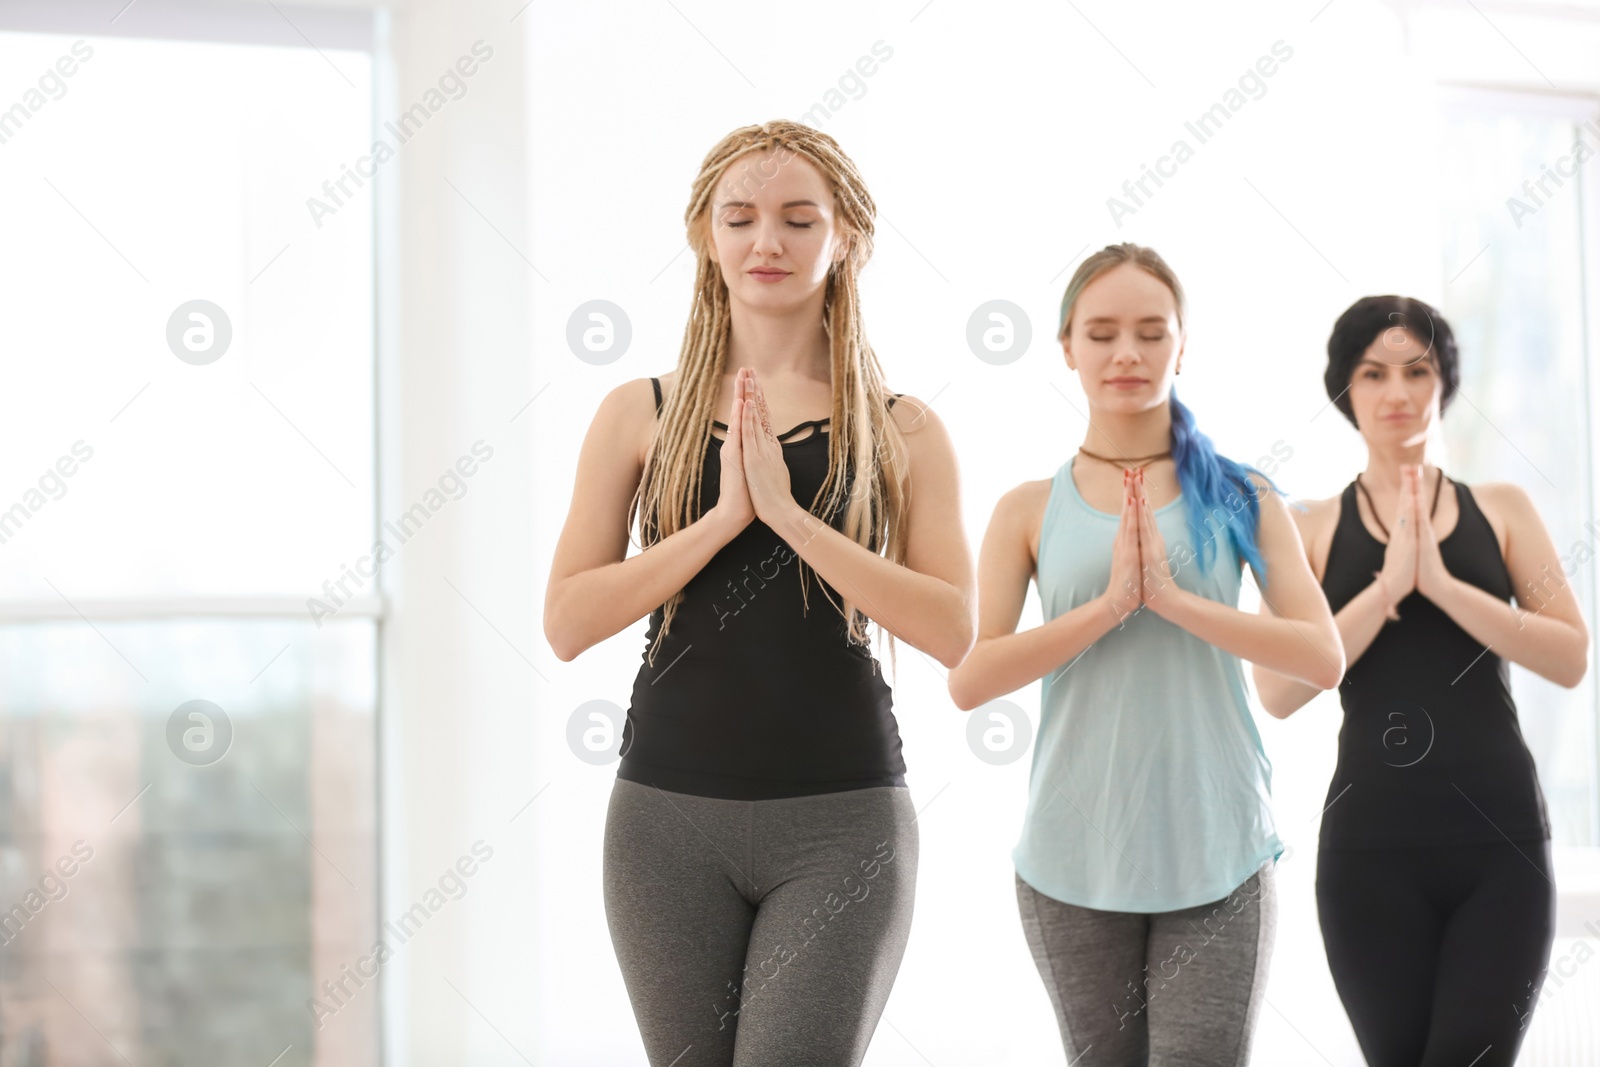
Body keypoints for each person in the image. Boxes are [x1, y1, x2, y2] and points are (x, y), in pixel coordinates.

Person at [543, 120, 975, 1067]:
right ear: (705, 235)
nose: (766, 242)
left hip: (843, 819)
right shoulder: (637, 414)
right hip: (664, 818)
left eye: (796, 218)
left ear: (846, 238)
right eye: (739, 218)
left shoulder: (907, 428)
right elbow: (568, 621)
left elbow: (952, 628)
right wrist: (722, 519)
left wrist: (791, 516)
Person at [948, 242, 1343, 1066]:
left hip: (1218, 847)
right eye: (1101, 333)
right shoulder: (1025, 508)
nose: (1126, 352)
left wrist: (1175, 603)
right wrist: (1108, 608)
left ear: (1181, 345)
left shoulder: (1241, 495)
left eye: (1150, 332)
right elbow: (974, 678)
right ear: (1067, 349)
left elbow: (1320, 655)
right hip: (1072, 857)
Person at [1253, 295, 1588, 1066]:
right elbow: (1276, 687)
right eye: (1374, 373)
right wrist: (1385, 589)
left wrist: (1442, 586)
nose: (1397, 392)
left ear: (1442, 383)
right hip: (1370, 851)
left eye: (1417, 370)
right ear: (1347, 390)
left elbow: (1569, 656)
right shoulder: (1308, 525)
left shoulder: (1500, 508)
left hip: (1499, 844)